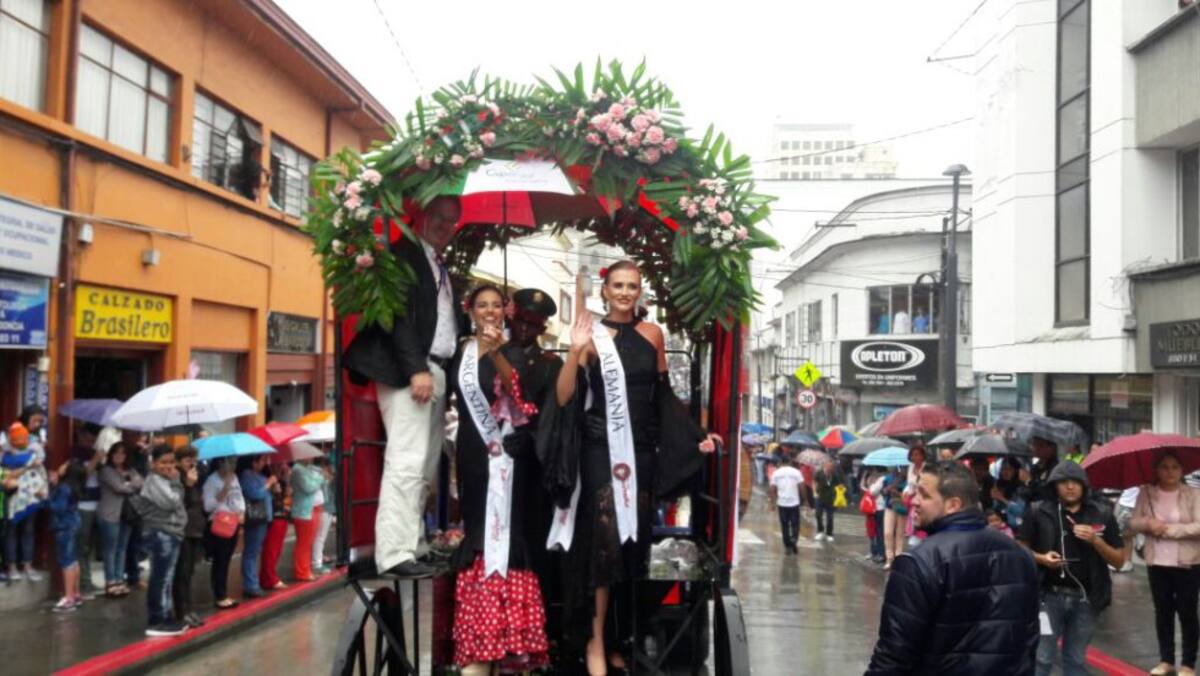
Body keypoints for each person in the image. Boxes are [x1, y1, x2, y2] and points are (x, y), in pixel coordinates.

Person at [542, 261, 717, 675]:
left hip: (640, 452)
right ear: (605, 290)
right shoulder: (590, 336)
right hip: (600, 449)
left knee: (630, 547)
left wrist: (696, 435)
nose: (625, 292)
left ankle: (619, 639)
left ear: (640, 292)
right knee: (603, 547)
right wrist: (573, 350)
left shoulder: (652, 334)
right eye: (618, 285)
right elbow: (564, 397)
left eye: (632, 286)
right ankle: (595, 646)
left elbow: (663, 398)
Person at [343, 195, 465, 578]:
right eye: (440, 218)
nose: (446, 226)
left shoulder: (437, 263)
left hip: (435, 369)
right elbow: (394, 316)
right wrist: (416, 369)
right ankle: (394, 553)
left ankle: (415, 544)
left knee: (425, 465)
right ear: (422, 216)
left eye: (452, 221)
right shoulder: (402, 255)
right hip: (411, 370)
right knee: (406, 461)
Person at [448, 284, 563, 673]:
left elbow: (529, 403)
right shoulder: (463, 354)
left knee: (521, 538)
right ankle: (481, 639)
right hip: (477, 459)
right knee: (479, 533)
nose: (525, 326)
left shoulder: (542, 361)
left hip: (521, 465)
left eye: (498, 305)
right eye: (484, 305)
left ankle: (519, 643)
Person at [866, 461, 1039, 674]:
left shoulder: (918, 563)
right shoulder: (1022, 556)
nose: (914, 501)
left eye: (924, 495)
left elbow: (892, 656)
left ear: (953, 505)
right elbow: (1029, 644)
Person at [1018, 461, 1124, 676]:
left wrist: (1096, 541)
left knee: (1075, 659)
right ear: (1054, 485)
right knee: (1042, 657)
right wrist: (1042, 558)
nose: (1069, 487)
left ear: (1084, 486)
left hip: (1087, 598)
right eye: (1063, 482)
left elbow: (1119, 561)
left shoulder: (1102, 513)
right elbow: (1019, 550)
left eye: (1075, 482)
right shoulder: (1038, 511)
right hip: (1047, 597)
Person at [1129, 453, 1200, 676]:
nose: (1170, 472)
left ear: (1182, 470)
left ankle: (1188, 663)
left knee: (1187, 612)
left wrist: (1168, 530)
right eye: (1164, 467)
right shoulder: (1146, 492)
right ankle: (1166, 659)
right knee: (1163, 612)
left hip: (1187, 562)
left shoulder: (1193, 494)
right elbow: (1132, 521)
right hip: (1156, 561)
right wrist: (1149, 523)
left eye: (1175, 467)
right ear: (1156, 470)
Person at [133, 445, 187, 637]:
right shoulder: (154, 481)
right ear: (154, 463)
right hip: (161, 533)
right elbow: (172, 502)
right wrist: (177, 482)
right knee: (160, 578)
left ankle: (166, 616)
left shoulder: (165, 479)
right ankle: (157, 619)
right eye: (163, 462)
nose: (168, 466)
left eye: (172, 462)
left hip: (171, 533)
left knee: (166, 578)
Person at [3, 422, 46, 582]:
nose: (20, 441)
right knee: (12, 531)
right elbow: (6, 475)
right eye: (16, 438)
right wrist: (27, 466)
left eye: (23, 437)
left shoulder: (35, 451)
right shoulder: (4, 454)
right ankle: (12, 566)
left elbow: (41, 472)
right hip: (13, 496)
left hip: (30, 496)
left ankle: (27, 565)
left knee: (28, 530)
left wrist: (42, 489)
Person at [98, 441, 141, 596]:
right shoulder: (106, 470)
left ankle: (119, 579)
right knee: (110, 549)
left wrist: (128, 482)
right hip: (110, 514)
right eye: (116, 452)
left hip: (127, 514)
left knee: (122, 548)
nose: (119, 455)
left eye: (123, 453)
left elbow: (140, 482)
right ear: (111, 454)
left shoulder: (130, 469)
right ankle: (110, 581)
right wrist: (129, 483)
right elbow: (119, 487)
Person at [203, 457, 244, 609]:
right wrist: (224, 490)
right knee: (220, 560)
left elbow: (239, 497)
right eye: (230, 462)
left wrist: (242, 512)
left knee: (227, 559)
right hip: (219, 523)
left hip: (233, 522)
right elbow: (208, 506)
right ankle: (219, 595)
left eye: (234, 463)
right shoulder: (211, 481)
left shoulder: (235, 478)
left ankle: (223, 592)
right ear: (221, 463)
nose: (233, 466)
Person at [172, 445, 206, 628]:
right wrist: (189, 485)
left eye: (193, 460)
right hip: (182, 530)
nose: (191, 464)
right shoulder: (177, 478)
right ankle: (181, 611)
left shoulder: (194, 476)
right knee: (181, 573)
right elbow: (179, 504)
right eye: (187, 460)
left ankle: (189, 609)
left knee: (189, 572)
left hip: (194, 529)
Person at [48, 461, 87, 612]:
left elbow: (58, 507)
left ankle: (69, 597)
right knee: (73, 560)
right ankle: (76, 594)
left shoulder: (64, 488)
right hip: (74, 523)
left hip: (64, 526)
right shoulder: (74, 487)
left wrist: (46, 496)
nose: (61, 466)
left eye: (65, 465)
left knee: (66, 561)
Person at [72, 424, 105, 598]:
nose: (91, 441)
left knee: (89, 546)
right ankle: (83, 585)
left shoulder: (93, 452)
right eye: (88, 437)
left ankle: (87, 581)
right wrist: (96, 459)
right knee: (82, 546)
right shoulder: (75, 453)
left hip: (96, 505)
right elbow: (81, 475)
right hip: (82, 505)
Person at [237, 454, 275, 597]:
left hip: (264, 517)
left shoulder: (260, 475)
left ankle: (253, 582)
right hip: (256, 518)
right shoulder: (247, 475)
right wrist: (268, 484)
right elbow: (254, 494)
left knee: (255, 550)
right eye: (262, 460)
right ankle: (250, 585)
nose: (265, 463)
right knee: (251, 552)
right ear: (254, 462)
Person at [290, 454, 326, 582]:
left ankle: (305, 569)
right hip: (304, 511)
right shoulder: (297, 469)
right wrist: (321, 478)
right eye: (308, 456)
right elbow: (309, 487)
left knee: (308, 542)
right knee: (303, 543)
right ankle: (302, 572)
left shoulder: (304, 468)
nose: (310, 458)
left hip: (310, 510)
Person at [260, 461, 291, 591]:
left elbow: (285, 497)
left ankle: (268, 578)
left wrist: (285, 483)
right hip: (273, 517)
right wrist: (272, 486)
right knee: (271, 550)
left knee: (276, 549)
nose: (280, 467)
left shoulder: (281, 480)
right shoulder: (266, 478)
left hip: (282, 515)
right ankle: (270, 578)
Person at [770, 457, 804, 554]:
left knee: (784, 525)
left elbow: (772, 488)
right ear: (790, 462)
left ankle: (787, 546)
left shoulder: (776, 473)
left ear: (781, 462)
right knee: (795, 524)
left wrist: (772, 503)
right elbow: (802, 486)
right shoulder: (796, 472)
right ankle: (794, 540)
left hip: (782, 503)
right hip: (794, 503)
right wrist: (805, 500)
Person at [881, 466, 908, 569]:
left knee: (899, 534)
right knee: (888, 533)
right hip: (890, 506)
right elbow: (883, 492)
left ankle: (898, 558)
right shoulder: (888, 478)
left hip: (902, 507)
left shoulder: (907, 479)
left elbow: (909, 495)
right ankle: (889, 558)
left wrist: (897, 492)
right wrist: (887, 490)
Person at [312, 458, 336, 574]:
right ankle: (317, 562)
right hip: (324, 509)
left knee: (320, 537)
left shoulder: (323, 478)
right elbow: (326, 496)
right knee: (320, 537)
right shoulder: (321, 478)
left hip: (326, 509)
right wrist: (328, 479)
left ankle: (318, 559)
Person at [814, 459, 843, 542]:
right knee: (818, 514)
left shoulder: (834, 474)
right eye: (828, 466)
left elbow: (839, 484)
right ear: (824, 465)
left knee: (830, 517)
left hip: (831, 498)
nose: (830, 468)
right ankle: (820, 531)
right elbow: (814, 481)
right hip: (820, 497)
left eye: (832, 467)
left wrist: (840, 492)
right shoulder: (819, 473)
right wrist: (814, 491)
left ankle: (829, 533)